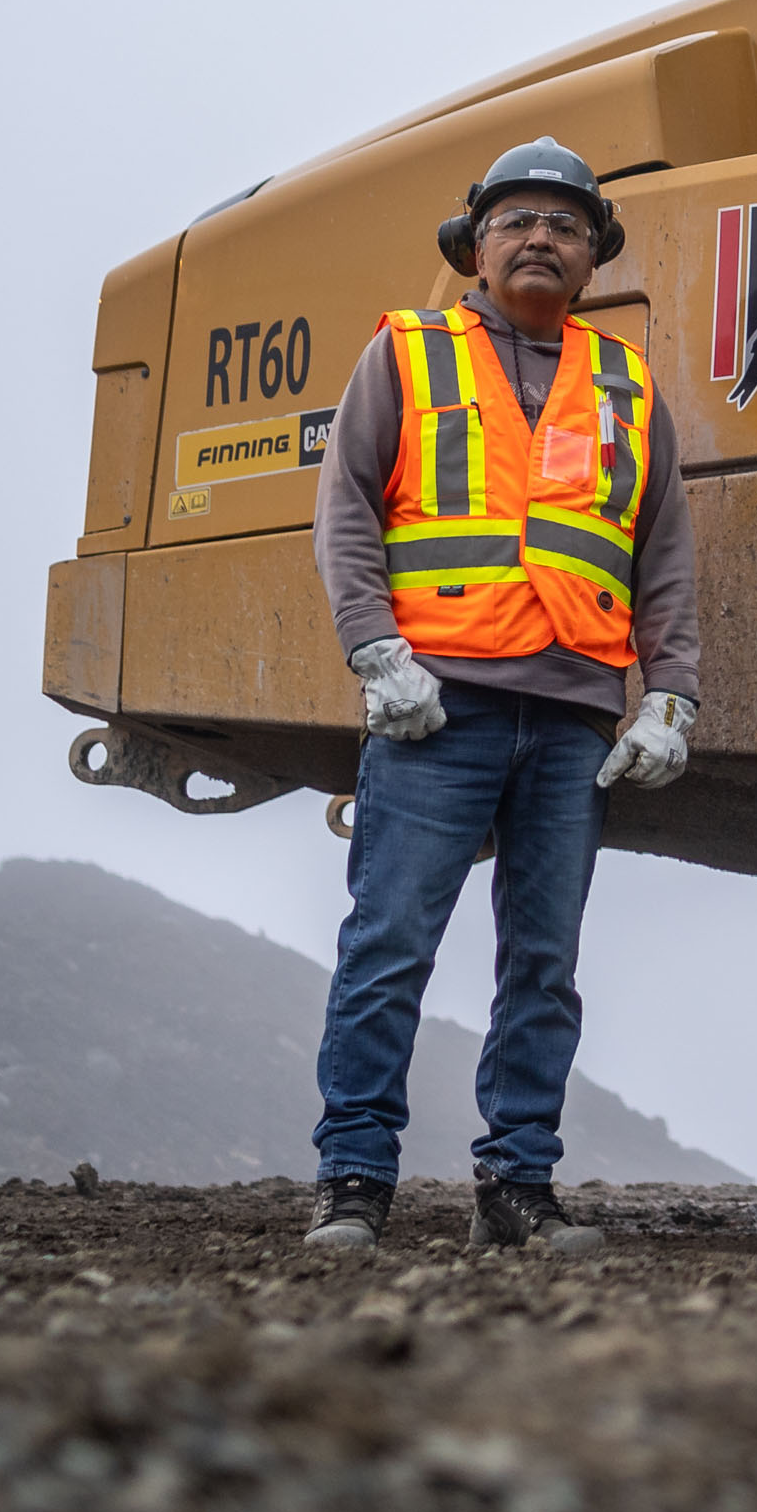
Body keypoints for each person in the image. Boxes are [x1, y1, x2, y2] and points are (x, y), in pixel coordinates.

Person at [300, 136, 699, 1255]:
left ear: (592, 258)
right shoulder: (408, 355)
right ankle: (352, 1181)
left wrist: (671, 697)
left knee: (543, 966)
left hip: (572, 717)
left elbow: (660, 552)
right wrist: (377, 656)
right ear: (475, 245)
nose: (540, 237)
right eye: (517, 219)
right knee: (390, 944)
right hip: (439, 707)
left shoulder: (626, 386)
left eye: (564, 225)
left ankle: (516, 1188)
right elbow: (346, 516)